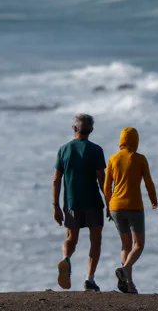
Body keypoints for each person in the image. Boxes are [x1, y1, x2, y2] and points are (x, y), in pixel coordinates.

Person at [52, 113, 107, 292]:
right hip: (93, 202)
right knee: (95, 241)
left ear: (74, 129)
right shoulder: (96, 150)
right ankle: (89, 280)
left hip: (71, 203)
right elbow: (102, 180)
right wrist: (110, 202)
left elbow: (56, 180)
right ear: (91, 130)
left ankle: (66, 258)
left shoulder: (63, 150)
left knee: (71, 239)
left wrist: (56, 206)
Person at [102, 126, 157, 294]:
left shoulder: (113, 158)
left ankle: (129, 285)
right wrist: (153, 200)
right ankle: (124, 271)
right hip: (134, 206)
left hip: (115, 207)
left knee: (125, 245)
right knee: (138, 245)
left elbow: (106, 186)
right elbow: (148, 182)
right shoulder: (140, 159)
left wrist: (108, 206)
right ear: (136, 141)